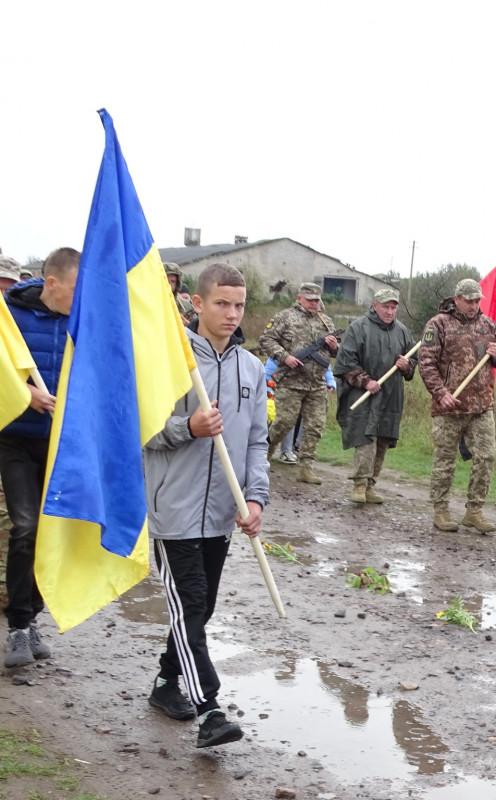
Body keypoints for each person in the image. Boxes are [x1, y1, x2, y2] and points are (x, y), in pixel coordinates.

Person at [143, 263, 268, 748]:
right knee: (190, 603)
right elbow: (140, 432)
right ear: (197, 304)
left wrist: (256, 497)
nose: (231, 313)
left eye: (238, 305)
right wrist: (186, 428)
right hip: (173, 512)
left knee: (200, 608)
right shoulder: (169, 363)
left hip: (221, 514)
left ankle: (164, 682)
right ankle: (211, 709)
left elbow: (257, 442)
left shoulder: (251, 369)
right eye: (221, 303)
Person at [0, 248, 79, 668]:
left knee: (51, 533)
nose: (79, 299)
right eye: (73, 290)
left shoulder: (81, 321)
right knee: (25, 526)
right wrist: (23, 393)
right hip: (14, 440)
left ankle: (32, 619)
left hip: (61, 445)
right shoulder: (9, 315)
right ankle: (16, 627)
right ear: (51, 284)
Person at [419, 278, 496, 533]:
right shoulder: (438, 324)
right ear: (457, 299)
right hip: (449, 407)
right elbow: (426, 364)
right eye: (468, 300)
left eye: (476, 300)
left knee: (487, 456)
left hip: (481, 406)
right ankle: (441, 509)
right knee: (445, 459)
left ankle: (474, 510)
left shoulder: (488, 324)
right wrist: (440, 393)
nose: (473, 305)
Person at [335, 287, 416, 504]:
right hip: (363, 394)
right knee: (366, 438)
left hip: (391, 394)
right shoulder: (358, 328)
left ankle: (371, 484)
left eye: (393, 307)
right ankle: (359, 484)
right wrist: (365, 380)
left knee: (382, 439)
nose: (390, 311)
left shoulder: (402, 331)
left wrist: (407, 365)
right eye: (385, 307)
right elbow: (345, 362)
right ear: (375, 306)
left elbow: (413, 361)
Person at [260, 282, 339, 485]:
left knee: (315, 426)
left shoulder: (326, 321)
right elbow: (266, 340)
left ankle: (306, 468)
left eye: (316, 301)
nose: (314, 304)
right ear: (300, 298)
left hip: (317, 383)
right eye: (310, 300)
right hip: (291, 381)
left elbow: (337, 353)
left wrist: (333, 347)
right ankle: (262, 457)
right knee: (283, 423)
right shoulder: (284, 317)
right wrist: (284, 357)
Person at [262, 356, 336, 463]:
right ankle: (281, 450)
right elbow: (267, 375)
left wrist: (330, 382)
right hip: (280, 392)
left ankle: (298, 448)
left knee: (311, 420)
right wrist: (270, 393)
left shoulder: (317, 350)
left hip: (309, 391)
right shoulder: (282, 352)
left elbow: (325, 365)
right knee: (287, 419)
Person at [164, 262, 196, 327]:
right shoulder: (148, 303)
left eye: (172, 281)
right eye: (165, 280)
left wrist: (187, 326)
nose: (169, 285)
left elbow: (197, 331)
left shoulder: (186, 307)